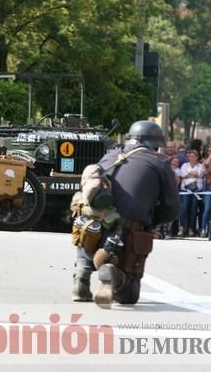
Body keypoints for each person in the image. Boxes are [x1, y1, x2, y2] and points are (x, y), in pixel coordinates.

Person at [72, 120, 180, 308]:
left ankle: (82, 275)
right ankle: (113, 275)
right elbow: (172, 208)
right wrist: (150, 222)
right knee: (129, 295)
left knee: (90, 226)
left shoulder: (109, 156)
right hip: (128, 230)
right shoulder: (159, 161)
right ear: (154, 144)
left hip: (91, 225)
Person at [178, 149, 205, 237]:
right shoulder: (184, 165)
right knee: (184, 208)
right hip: (185, 190)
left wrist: (189, 174)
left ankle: (191, 228)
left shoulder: (201, 166)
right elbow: (182, 175)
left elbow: (199, 174)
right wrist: (192, 174)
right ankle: (181, 227)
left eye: (193, 156)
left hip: (196, 191)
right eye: (190, 156)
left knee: (193, 209)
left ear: (197, 157)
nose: (191, 158)